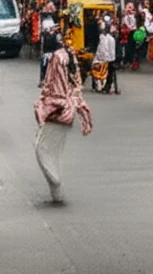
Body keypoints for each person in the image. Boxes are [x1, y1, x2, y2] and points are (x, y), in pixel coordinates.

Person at [34, 41, 93, 204]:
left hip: (57, 112)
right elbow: (75, 88)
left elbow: (52, 85)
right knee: (53, 152)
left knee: (43, 149)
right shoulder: (70, 60)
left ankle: (56, 186)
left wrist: (48, 102)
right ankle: (56, 191)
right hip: (66, 112)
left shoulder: (58, 58)